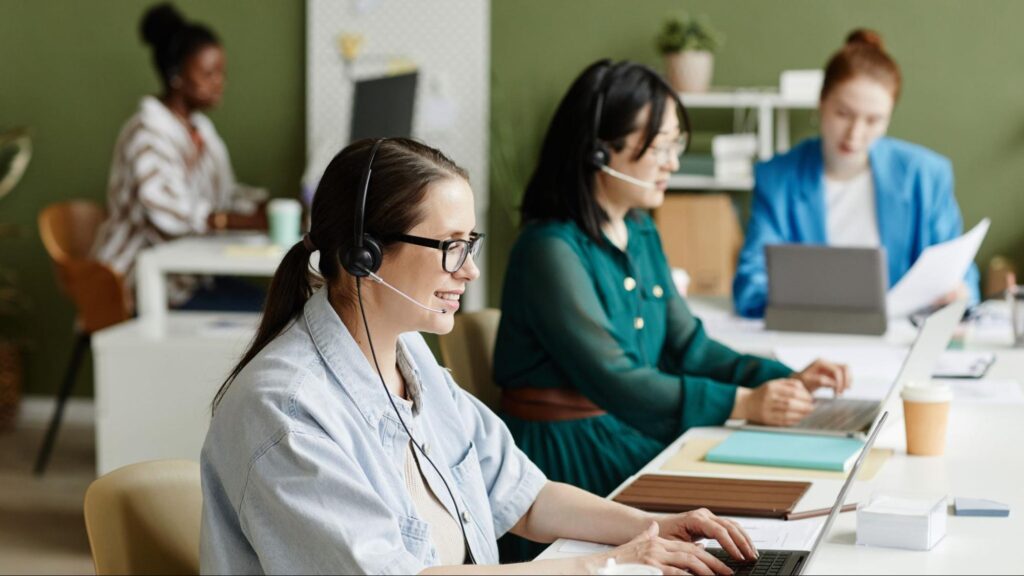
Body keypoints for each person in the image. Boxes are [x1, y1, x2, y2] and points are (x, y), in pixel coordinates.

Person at [200, 138, 759, 575]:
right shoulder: (286, 410)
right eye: (450, 247)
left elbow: (525, 497)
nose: (468, 270)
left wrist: (654, 529)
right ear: (364, 255)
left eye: (470, 244)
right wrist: (608, 565)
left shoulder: (410, 359)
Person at [493, 60, 849, 507]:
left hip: (626, 429)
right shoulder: (549, 250)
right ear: (599, 153)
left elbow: (689, 346)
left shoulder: (641, 231)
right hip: (566, 459)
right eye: (660, 147)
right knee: (732, 506)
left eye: (674, 145)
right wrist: (742, 404)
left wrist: (784, 379)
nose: (673, 162)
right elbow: (614, 378)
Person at [733, 29, 980, 318]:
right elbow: (750, 287)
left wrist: (958, 294)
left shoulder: (925, 176)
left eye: (873, 120)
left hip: (899, 340)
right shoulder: (778, 178)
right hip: (811, 338)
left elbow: (963, 277)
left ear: (888, 119)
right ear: (821, 102)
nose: (855, 133)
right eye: (843, 114)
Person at [92, 2, 265, 311]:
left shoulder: (201, 130)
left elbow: (224, 194)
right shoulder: (146, 134)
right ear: (176, 76)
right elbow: (170, 213)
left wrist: (263, 206)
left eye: (222, 73)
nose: (219, 82)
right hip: (141, 281)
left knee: (279, 305)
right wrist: (242, 219)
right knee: (268, 317)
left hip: (189, 277)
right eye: (209, 73)